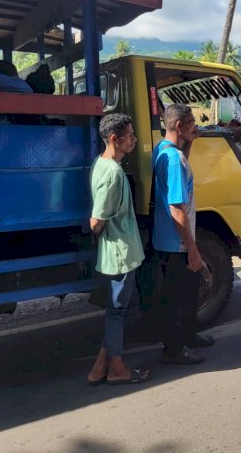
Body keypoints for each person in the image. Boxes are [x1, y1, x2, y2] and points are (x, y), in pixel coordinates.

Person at [86, 113, 151, 386]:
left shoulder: (101, 164)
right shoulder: (113, 173)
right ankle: (117, 368)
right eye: (130, 135)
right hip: (120, 254)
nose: (135, 140)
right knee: (117, 311)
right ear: (115, 139)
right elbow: (96, 220)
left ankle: (101, 366)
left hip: (121, 251)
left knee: (126, 307)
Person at [152, 103, 213, 365]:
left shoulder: (164, 150)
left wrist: (191, 143)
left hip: (169, 238)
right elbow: (177, 208)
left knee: (189, 291)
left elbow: (181, 157)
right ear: (180, 126)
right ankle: (174, 350)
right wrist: (193, 249)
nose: (194, 127)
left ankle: (189, 335)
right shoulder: (175, 160)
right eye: (191, 124)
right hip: (177, 242)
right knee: (174, 299)